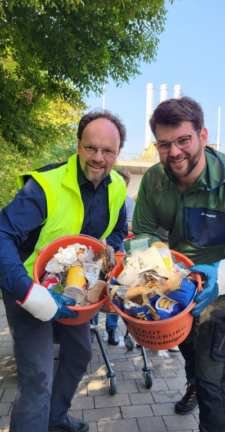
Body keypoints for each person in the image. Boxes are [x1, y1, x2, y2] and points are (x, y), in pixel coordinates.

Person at [132, 97, 225, 431]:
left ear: (203, 136)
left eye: (183, 140)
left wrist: (222, 278)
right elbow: (143, 233)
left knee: (214, 374)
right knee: (190, 349)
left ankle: (214, 414)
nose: (174, 152)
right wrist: (147, 278)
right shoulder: (153, 181)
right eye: (164, 144)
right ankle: (196, 385)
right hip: (177, 282)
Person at [0, 111, 128, 432]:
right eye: (91, 148)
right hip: (27, 288)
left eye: (108, 151)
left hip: (74, 290)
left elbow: (113, 237)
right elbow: (2, 234)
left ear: (117, 153)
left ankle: (55, 419)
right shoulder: (46, 184)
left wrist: (110, 277)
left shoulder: (117, 189)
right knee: (37, 380)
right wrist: (29, 293)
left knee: (79, 354)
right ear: (78, 145)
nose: (99, 158)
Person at [93, 167, 135, 346]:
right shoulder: (98, 197)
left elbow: (128, 226)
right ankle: (92, 328)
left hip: (116, 251)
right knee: (94, 287)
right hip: (96, 251)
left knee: (115, 290)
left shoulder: (127, 202)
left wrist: (109, 246)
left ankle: (111, 330)